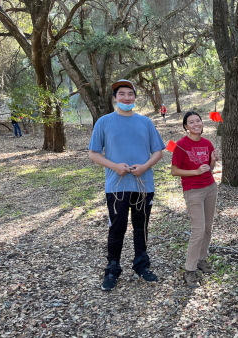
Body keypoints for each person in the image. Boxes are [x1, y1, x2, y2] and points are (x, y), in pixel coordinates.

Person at [88, 79, 165, 291]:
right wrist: (114, 166)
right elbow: (93, 153)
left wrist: (145, 166)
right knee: (117, 228)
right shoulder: (104, 122)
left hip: (143, 185)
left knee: (141, 227)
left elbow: (158, 151)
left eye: (130, 94)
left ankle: (142, 266)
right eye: (121, 94)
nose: (126, 98)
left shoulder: (146, 123)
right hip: (117, 186)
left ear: (135, 98)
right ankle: (112, 269)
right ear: (115, 98)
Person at [171, 111, 217, 288]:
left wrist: (212, 161)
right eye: (191, 122)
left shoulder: (207, 143)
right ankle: (190, 270)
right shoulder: (181, 145)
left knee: (207, 228)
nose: (196, 124)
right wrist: (195, 172)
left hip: (210, 188)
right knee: (198, 230)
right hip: (193, 190)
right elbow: (174, 171)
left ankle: (201, 260)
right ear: (185, 126)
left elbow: (209, 170)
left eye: (198, 121)